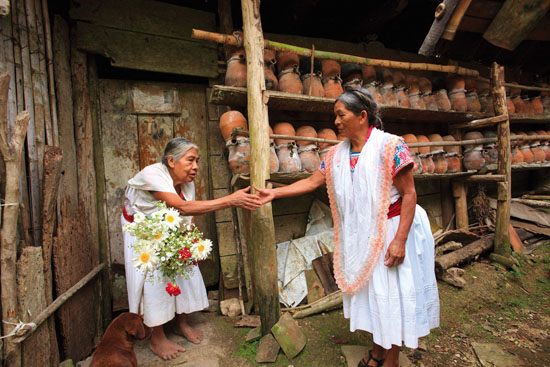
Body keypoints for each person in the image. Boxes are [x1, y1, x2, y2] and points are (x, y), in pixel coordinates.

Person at [256, 86, 440, 367]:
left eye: (341, 115)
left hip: (394, 228)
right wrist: (274, 193)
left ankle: (390, 360)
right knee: (377, 295)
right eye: (335, 116)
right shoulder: (336, 156)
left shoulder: (390, 146)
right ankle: (378, 352)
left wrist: (400, 240)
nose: (336, 121)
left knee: (392, 296)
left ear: (362, 116)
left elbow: (410, 195)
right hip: (365, 235)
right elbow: (311, 183)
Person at [122, 137, 262, 360]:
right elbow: (182, 207)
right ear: (171, 160)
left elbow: (188, 216)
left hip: (169, 228)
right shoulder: (153, 175)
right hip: (144, 233)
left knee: (185, 267)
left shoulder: (186, 182)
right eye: (190, 160)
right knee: (154, 279)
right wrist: (231, 200)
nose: (196, 166)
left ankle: (181, 324)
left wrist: (188, 244)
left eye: (197, 161)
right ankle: (157, 339)